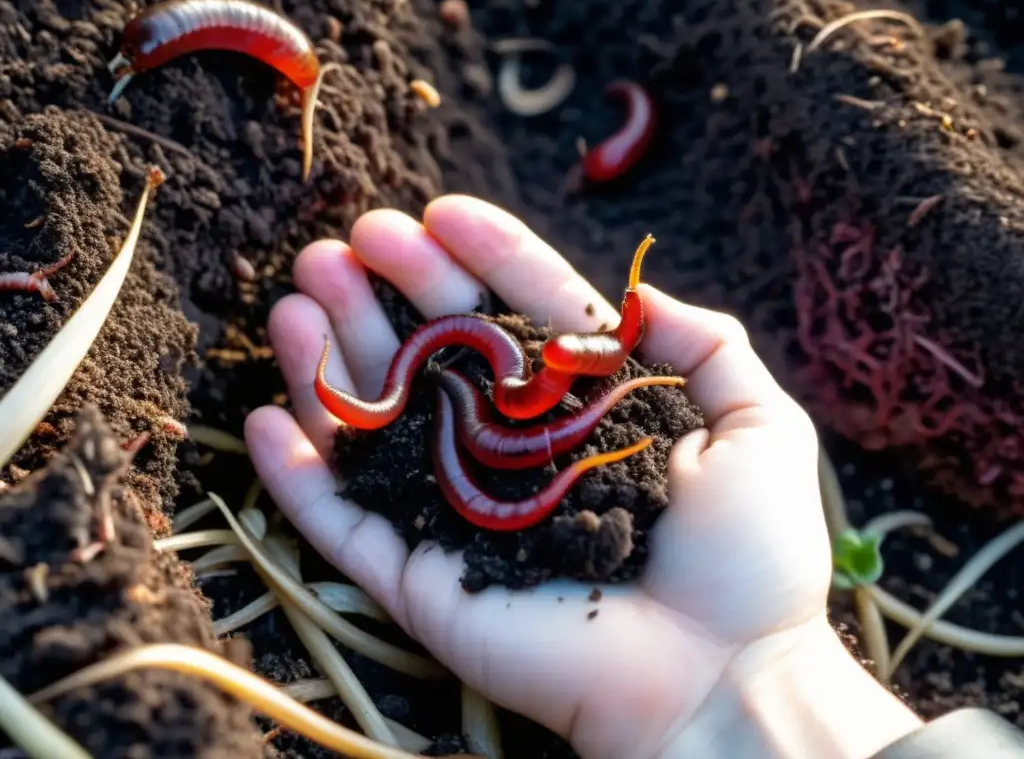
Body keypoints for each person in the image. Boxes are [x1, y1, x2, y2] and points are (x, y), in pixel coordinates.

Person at [243, 195, 1024, 758]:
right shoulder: (483, 385)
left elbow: (514, 411)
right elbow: (487, 408)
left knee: (477, 410)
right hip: (471, 424)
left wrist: (733, 675)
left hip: (488, 438)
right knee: (462, 402)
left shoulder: (531, 391)